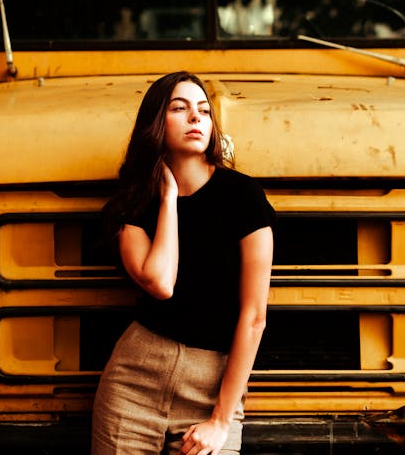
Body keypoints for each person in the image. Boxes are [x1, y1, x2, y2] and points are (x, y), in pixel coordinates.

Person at [91, 71, 274, 455]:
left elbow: (254, 315)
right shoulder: (135, 202)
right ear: (156, 123)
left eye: (204, 111)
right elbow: (161, 283)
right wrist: (170, 198)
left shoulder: (243, 195)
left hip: (211, 390)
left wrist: (221, 419)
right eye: (180, 108)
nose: (196, 118)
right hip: (133, 383)